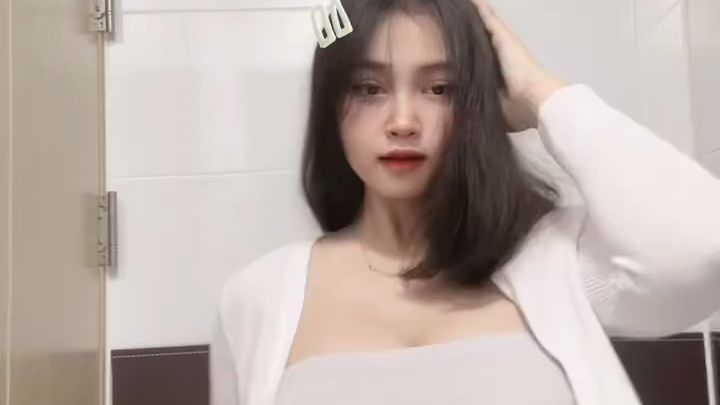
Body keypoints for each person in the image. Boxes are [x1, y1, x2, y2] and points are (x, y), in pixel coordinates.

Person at [210, 1, 720, 404]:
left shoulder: (558, 260)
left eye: (440, 88)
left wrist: (540, 93)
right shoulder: (257, 300)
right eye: (369, 88)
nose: (403, 121)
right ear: (331, 107)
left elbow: (705, 244)